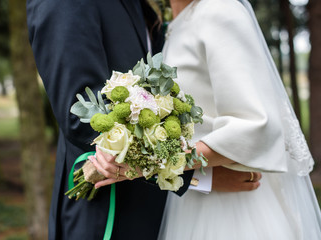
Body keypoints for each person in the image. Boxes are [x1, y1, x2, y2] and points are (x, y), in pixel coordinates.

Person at [26, 0, 262, 239]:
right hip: (108, 214)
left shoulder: (139, 7)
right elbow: (84, 119)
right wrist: (192, 175)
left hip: (158, 213)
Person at [152, 0, 321, 239]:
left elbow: (253, 126)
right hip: (195, 201)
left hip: (235, 210)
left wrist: (155, 163)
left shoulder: (220, 10)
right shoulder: (173, 24)